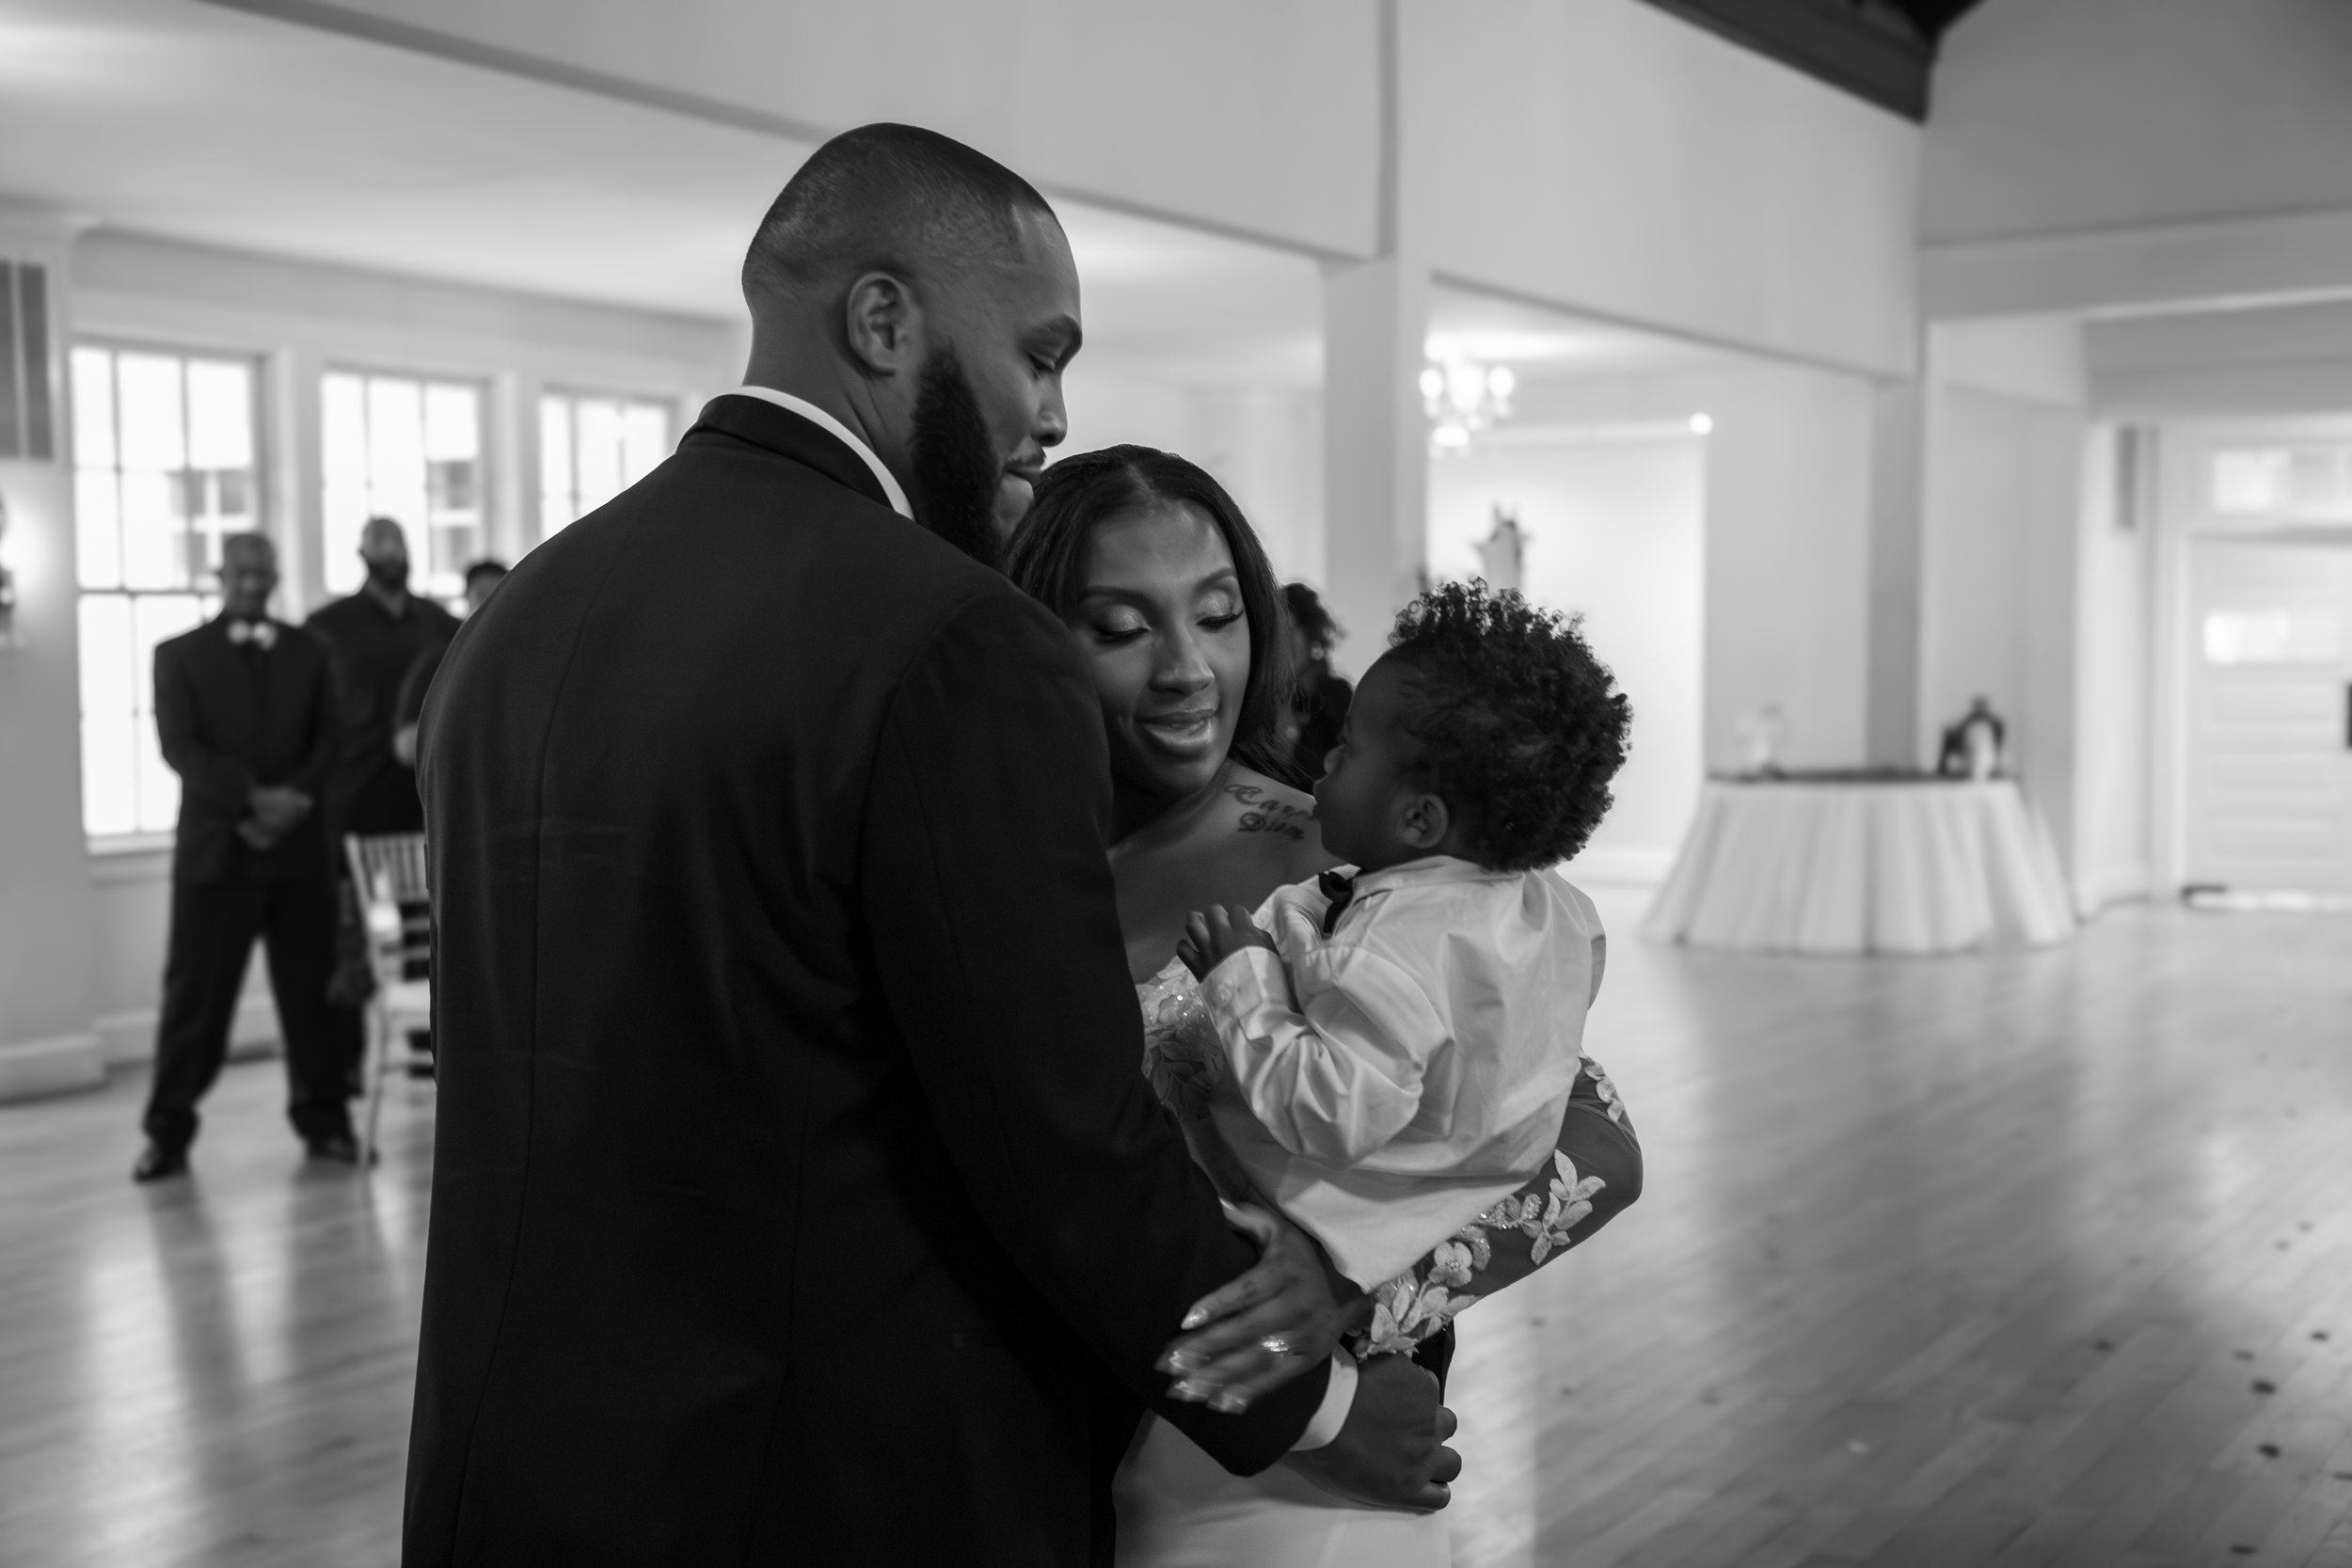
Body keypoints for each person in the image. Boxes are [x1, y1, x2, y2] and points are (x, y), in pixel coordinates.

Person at [403, 124, 1454, 1568]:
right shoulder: (953, 636)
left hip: (515, 1468)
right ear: (884, 319)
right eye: (1039, 351)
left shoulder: (516, 617)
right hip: (823, 1479)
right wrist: (1319, 1402)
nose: (1052, 411)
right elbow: (1059, 1143)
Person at [1009, 453, 1645, 1566]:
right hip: (1031, 1426)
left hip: (1277, 1451)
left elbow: (1590, 1137)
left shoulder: (1359, 861)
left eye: (1217, 616)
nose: (1187, 670)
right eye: (1119, 626)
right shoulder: (987, 859)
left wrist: (1353, 1282)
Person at [135, 532, 355, 1181]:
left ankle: (327, 1121)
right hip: (215, 857)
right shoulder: (177, 656)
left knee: (314, 1000)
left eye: (265, 571)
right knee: (193, 1002)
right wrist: (251, 802)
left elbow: (334, 736)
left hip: (298, 855)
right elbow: (180, 747)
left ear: (277, 574)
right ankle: (167, 1134)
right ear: (221, 574)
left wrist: (294, 802)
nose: (255, 581)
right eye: (243, 571)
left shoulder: (312, 651)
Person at [307, 516, 461, 839]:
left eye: (396, 544)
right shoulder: (327, 626)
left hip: (429, 786)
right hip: (357, 787)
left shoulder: (440, 623)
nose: (390, 554)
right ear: (362, 554)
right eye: (379, 544)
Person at [390, 558, 507, 770]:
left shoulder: (522, 662)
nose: (490, 605)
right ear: (466, 598)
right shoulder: (438, 661)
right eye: (482, 595)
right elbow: (404, 746)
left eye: (499, 595)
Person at [1280, 581, 1352, 781]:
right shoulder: (1271, 698)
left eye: (1287, 633)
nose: (1279, 644)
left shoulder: (1338, 696)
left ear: (1310, 634)